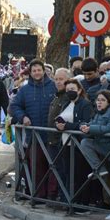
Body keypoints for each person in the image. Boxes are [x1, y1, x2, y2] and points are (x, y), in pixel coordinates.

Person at [11, 59, 58, 199]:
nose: (37, 73)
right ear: (30, 73)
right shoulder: (25, 89)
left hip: (51, 135)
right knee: (36, 167)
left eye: (39, 70)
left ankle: (52, 196)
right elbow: (14, 106)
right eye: (34, 71)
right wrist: (23, 117)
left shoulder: (54, 86)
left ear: (44, 71)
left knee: (52, 167)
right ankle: (38, 196)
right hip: (33, 135)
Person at [80, 90, 110, 220]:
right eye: (98, 100)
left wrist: (91, 129)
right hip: (104, 147)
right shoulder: (98, 113)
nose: (99, 102)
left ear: (109, 102)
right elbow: (93, 126)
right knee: (85, 142)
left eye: (102, 100)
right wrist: (86, 127)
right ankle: (99, 169)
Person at [56, 79, 93, 209]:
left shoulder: (85, 104)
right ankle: (68, 200)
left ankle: (80, 203)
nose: (69, 92)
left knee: (78, 174)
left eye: (72, 89)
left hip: (78, 144)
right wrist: (59, 124)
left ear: (79, 90)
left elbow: (85, 123)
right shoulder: (66, 103)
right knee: (67, 172)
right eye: (67, 90)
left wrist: (67, 126)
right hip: (65, 144)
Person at [46, 68, 71, 201]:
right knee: (56, 170)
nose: (58, 82)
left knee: (63, 170)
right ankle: (59, 196)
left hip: (63, 140)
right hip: (52, 139)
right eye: (56, 79)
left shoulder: (68, 96)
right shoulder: (57, 95)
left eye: (61, 79)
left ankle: (64, 198)